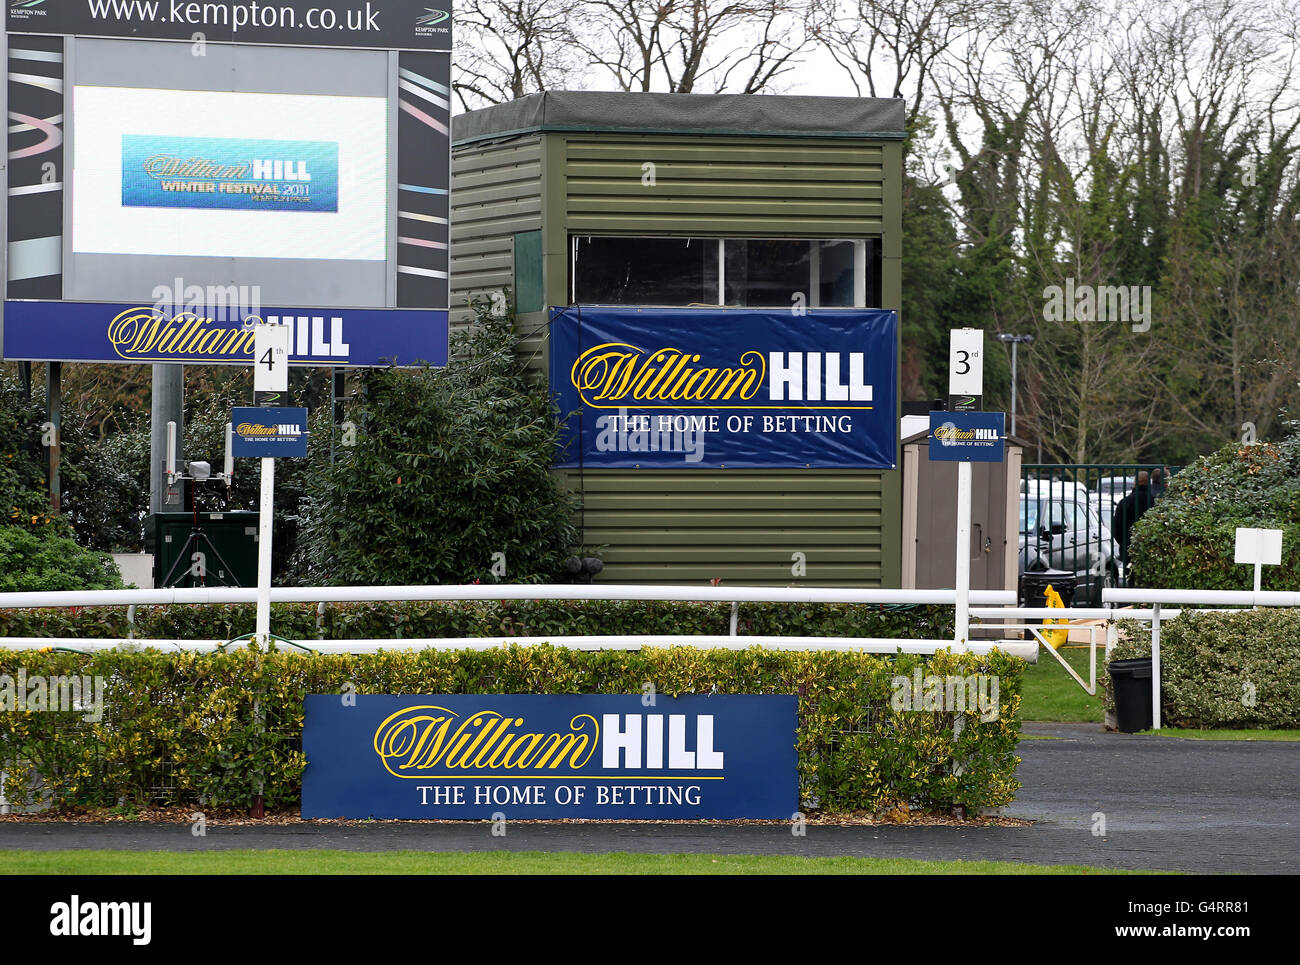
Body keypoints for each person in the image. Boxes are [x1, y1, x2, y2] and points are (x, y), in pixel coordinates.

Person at [1112, 470, 1158, 569]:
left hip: (1128, 548)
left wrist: (1124, 542)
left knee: (1130, 578)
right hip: (1152, 549)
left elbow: (1116, 529)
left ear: (1135, 483)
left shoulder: (1125, 502)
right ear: (1148, 483)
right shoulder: (1155, 502)